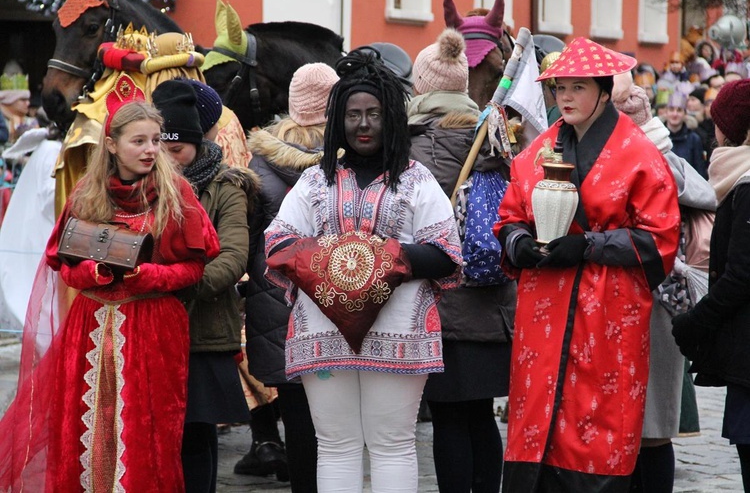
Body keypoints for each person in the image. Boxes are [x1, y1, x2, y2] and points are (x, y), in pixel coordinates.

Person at [0, 74, 220, 491]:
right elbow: (61, 263)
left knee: (144, 437)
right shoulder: (86, 194)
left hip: (152, 328)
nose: (151, 150)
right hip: (89, 326)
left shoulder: (178, 196)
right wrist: (92, 272)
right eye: (139, 141)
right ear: (112, 144)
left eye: (156, 140)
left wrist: (146, 275)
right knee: (83, 437)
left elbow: (194, 267)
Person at [263, 49, 462, 491]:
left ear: (391, 116)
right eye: (353, 114)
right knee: (335, 443)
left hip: (398, 332)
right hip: (322, 332)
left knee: (392, 442)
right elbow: (277, 243)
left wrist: (382, 259)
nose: (364, 124)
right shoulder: (315, 180)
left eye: (373, 113)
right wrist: (338, 259)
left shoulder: (416, 180)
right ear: (339, 120)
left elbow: (446, 251)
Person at [494, 37, 680, 492]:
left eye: (578, 88)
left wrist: (589, 246)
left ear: (601, 90)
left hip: (607, 311)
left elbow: (660, 241)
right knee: (537, 418)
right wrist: (518, 244)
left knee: (599, 424)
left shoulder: (639, 155)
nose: (567, 98)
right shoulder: (536, 150)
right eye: (560, 89)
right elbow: (510, 216)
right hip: (544, 309)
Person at [407, 28, 514, 492]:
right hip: (491, 304)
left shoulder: (416, 145)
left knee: (449, 418)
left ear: (422, 88)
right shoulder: (490, 132)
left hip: (442, 304)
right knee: (481, 415)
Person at [240, 62, 339, 491]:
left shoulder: (260, 161)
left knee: (297, 416)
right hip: (337, 300)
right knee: (336, 426)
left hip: (276, 303)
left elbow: (246, 240)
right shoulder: (347, 159)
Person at [152, 79, 255, 493]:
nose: (167, 159)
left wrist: (175, 283)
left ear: (195, 143)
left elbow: (233, 257)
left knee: (195, 434)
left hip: (203, 333)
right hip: (151, 330)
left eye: (176, 150)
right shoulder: (140, 183)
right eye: (161, 148)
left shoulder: (225, 186)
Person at [614, 79, 716, 492]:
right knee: (652, 426)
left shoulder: (651, 167)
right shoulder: (672, 162)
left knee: (650, 427)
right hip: (661, 302)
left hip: (655, 299)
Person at [671, 78, 750, 492]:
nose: (713, 130)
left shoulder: (747, 184)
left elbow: (741, 275)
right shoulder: (738, 179)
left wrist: (694, 323)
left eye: (719, 121)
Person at [665, 92, 707, 179]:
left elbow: (700, 171)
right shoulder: (659, 138)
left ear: (685, 114)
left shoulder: (694, 139)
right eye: (671, 109)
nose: (675, 114)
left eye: (679, 110)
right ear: (666, 113)